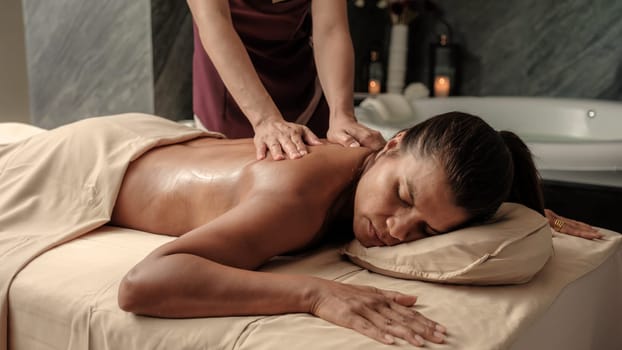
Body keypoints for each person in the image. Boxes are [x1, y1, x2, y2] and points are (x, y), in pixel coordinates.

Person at [110, 111, 600, 347]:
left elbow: (433, 195)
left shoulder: (369, 168)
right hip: (100, 160)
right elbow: (142, 285)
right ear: (393, 144)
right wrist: (315, 295)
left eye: (427, 229)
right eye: (403, 197)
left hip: (161, 142)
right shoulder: (296, 200)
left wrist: (538, 216)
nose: (396, 228)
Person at [187, 0, 386, 161]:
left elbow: (330, 28)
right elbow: (213, 23)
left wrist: (342, 115)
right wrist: (265, 119)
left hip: (300, 80)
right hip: (233, 89)